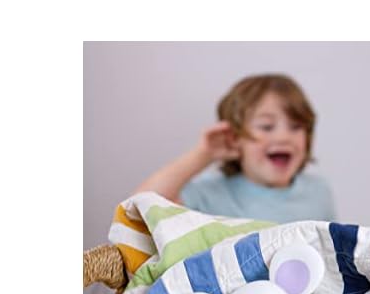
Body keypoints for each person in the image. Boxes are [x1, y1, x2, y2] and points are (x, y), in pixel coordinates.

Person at [134, 74, 337, 223]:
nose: (283, 137)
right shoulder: (210, 192)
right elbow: (137, 207)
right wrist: (203, 155)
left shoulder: (318, 192)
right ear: (235, 137)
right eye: (266, 126)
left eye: (296, 127)